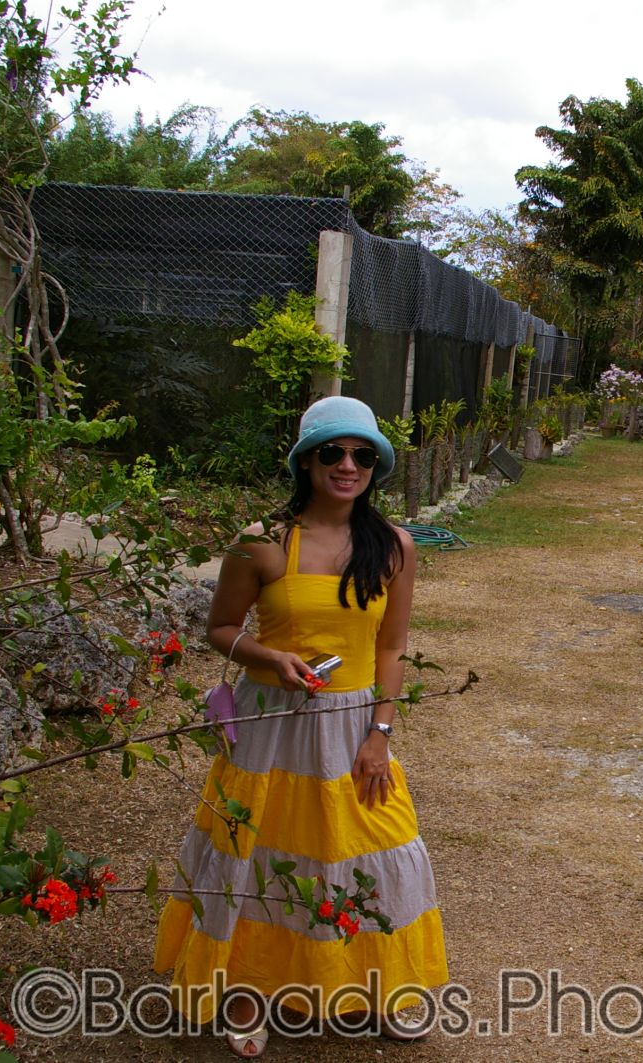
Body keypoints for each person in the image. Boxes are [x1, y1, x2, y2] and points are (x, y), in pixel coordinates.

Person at [152, 396, 448, 1057]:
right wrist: (269, 657)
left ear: (376, 464)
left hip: (350, 724)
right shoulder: (262, 541)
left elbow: (392, 650)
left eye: (362, 454)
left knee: (371, 845)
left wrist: (381, 733)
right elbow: (220, 629)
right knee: (261, 849)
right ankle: (248, 988)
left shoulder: (394, 546)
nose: (348, 465)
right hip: (270, 725)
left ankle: (384, 985)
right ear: (305, 461)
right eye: (333, 452)